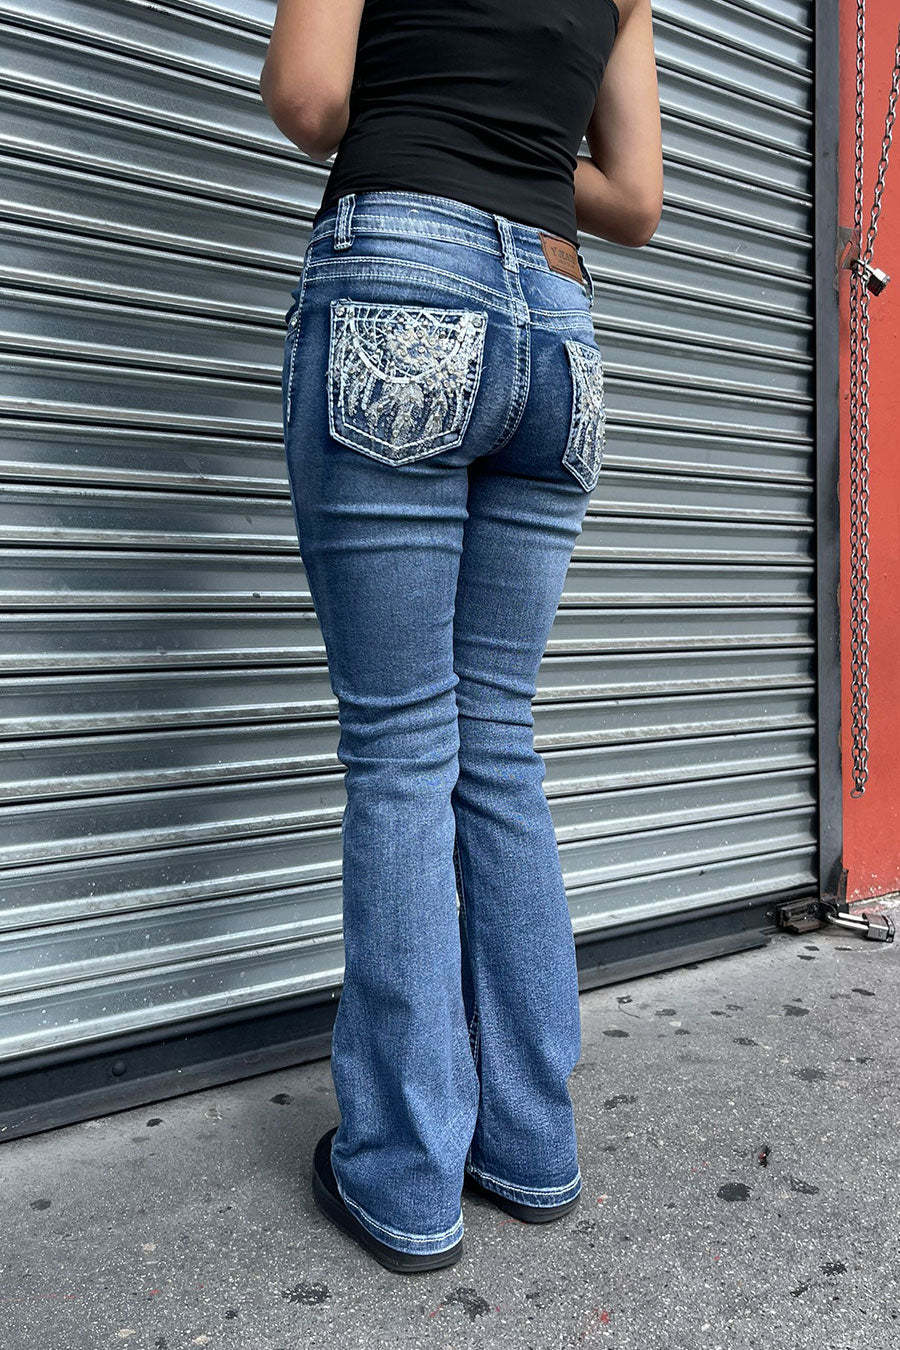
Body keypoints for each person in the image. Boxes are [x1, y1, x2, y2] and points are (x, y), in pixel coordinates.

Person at [260, 0, 663, 1275]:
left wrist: (429, 124)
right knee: (496, 738)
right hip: (559, 317)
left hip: (404, 282)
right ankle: (531, 1145)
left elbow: (309, 99)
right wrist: (518, 150)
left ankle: (404, 1174)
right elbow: (637, 201)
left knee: (399, 750)